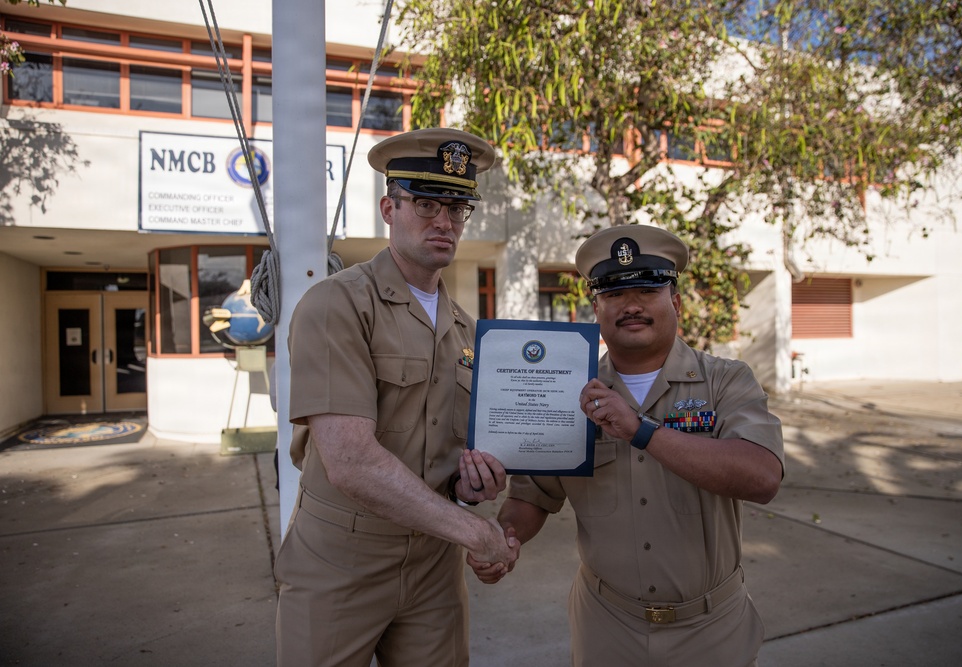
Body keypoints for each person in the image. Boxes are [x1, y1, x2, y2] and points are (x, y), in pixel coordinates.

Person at [470, 225, 785, 666]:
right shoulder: (568, 393)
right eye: (615, 294)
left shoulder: (725, 380)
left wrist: (643, 431)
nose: (631, 305)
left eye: (647, 290)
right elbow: (533, 496)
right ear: (595, 307)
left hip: (712, 628)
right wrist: (503, 541)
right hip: (607, 626)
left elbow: (762, 477)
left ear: (674, 301)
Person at [274, 128, 517, 667]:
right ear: (389, 206)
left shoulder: (469, 333)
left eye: (457, 209)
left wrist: (472, 484)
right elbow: (351, 462)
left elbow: (448, 455)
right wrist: (475, 531)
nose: (443, 222)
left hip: (433, 563)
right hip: (341, 557)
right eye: (426, 204)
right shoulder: (336, 305)